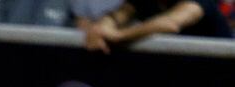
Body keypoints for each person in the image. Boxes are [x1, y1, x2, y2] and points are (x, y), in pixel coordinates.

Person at [83, 0, 233, 52]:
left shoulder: (199, 2)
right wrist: (101, 28)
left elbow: (171, 23)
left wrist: (119, 36)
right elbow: (117, 15)